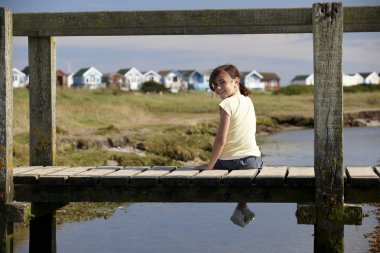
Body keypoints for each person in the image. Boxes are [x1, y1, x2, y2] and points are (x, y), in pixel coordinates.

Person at [196, 64, 263, 228]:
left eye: (221, 83)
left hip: (229, 162)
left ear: (236, 81)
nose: (218, 88)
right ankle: (242, 207)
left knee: (203, 166)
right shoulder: (248, 101)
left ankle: (242, 208)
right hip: (251, 161)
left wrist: (210, 167)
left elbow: (220, 140)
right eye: (214, 86)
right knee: (252, 164)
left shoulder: (227, 104)